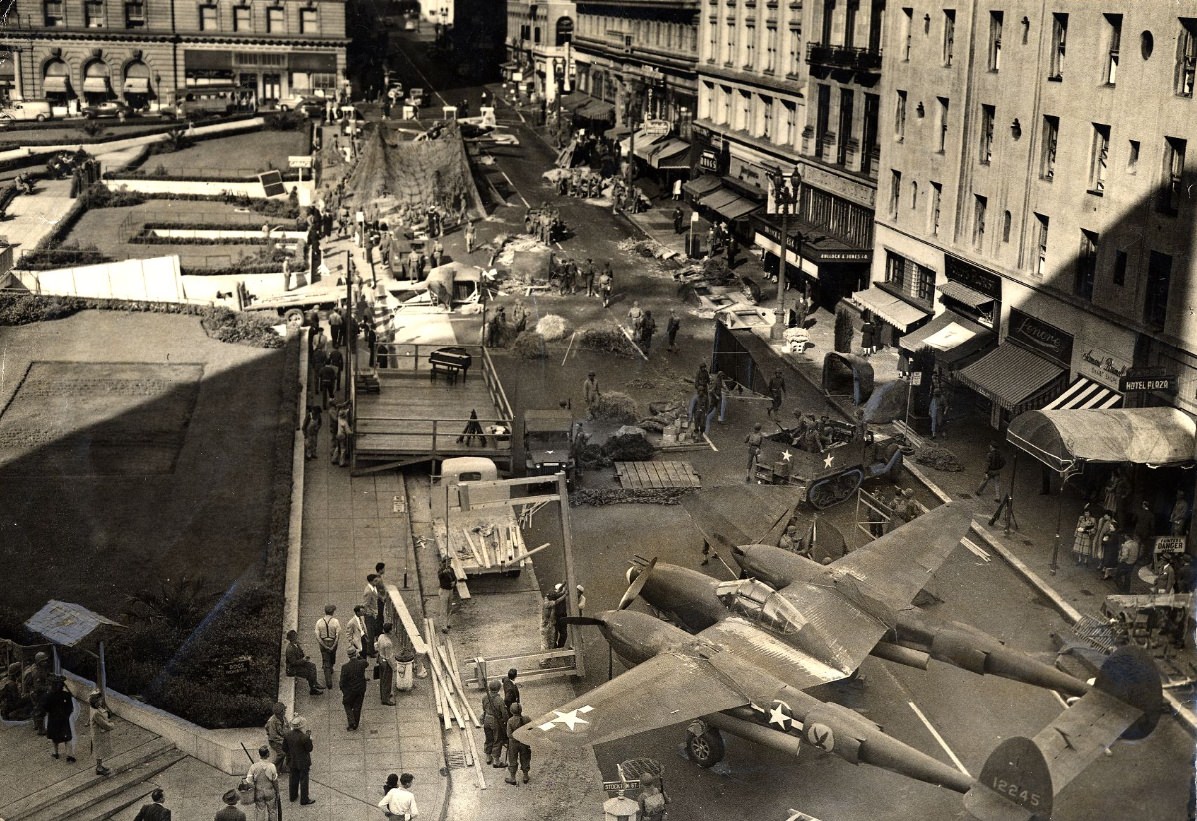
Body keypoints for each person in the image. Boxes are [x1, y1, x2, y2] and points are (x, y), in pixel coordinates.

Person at [283, 715, 315, 805]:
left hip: (292, 761)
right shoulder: (304, 737)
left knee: (293, 778)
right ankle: (304, 799)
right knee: (304, 780)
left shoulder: (287, 734)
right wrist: (310, 739)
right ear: (302, 726)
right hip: (303, 762)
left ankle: (293, 796)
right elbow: (309, 749)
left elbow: (284, 748)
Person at [45, 676, 76, 762]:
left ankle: (56, 753)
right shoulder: (66, 695)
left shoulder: (49, 696)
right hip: (63, 719)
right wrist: (66, 715)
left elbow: (46, 708)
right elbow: (70, 708)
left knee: (55, 738)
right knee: (67, 737)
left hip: (53, 719)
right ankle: (69, 755)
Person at [244, 746, 279, 821]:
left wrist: (253, 787)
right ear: (267, 754)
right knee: (272, 811)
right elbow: (275, 781)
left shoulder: (253, 767)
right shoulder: (272, 766)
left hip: (258, 792)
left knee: (260, 811)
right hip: (270, 791)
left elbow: (248, 780)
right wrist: (277, 791)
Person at [284, 630, 323, 695]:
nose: (297, 637)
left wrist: (304, 656)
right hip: (292, 668)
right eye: (296, 636)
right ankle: (313, 689)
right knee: (308, 673)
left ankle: (314, 683)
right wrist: (303, 660)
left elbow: (300, 654)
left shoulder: (296, 644)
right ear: (293, 638)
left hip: (299, 663)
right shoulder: (290, 649)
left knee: (312, 666)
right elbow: (293, 663)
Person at [339, 647, 369, 731]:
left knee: (346, 704)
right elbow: (367, 663)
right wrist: (359, 656)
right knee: (357, 706)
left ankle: (351, 721)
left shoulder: (345, 667)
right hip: (360, 689)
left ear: (348, 656)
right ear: (355, 654)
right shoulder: (362, 663)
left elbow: (342, 681)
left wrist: (343, 690)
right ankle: (356, 724)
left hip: (349, 691)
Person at [481, 680, 510, 767]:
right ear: (498, 689)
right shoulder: (499, 700)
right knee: (497, 740)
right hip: (495, 721)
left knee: (489, 738)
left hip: (486, 719)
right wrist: (506, 721)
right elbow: (504, 713)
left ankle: (488, 757)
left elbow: (484, 708)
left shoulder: (485, 697)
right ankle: (496, 761)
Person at [504, 702, 532, 784]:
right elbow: (532, 729)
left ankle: (513, 778)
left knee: (512, 759)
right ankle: (525, 776)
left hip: (513, 744)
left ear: (511, 711)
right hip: (524, 742)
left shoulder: (510, 721)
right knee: (525, 758)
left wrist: (516, 737)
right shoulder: (527, 719)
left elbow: (509, 735)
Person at [314, 604, 340, 691]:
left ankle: (328, 681)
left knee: (325, 660)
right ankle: (331, 667)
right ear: (332, 612)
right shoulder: (336, 621)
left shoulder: (319, 622)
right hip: (333, 641)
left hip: (323, 642)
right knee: (332, 656)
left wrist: (324, 645)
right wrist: (333, 645)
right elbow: (337, 635)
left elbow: (318, 637)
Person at [88, 690, 114, 776]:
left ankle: (100, 766)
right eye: (100, 700)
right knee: (99, 752)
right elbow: (104, 724)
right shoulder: (96, 713)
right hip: (99, 734)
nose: (101, 701)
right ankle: (99, 768)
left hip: (98, 733)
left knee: (100, 751)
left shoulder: (93, 708)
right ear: (96, 702)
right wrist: (111, 725)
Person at [26, 651, 50, 735]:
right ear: (39, 662)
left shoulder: (38, 667)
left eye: (46, 660)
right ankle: (41, 730)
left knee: (36, 708)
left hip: (34, 692)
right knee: (40, 710)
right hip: (36, 693)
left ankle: (36, 725)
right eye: (43, 661)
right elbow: (38, 687)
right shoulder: (36, 672)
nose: (45, 662)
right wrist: (48, 688)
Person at [263, 702, 289, 772]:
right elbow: (273, 736)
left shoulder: (283, 718)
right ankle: (273, 768)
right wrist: (284, 741)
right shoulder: (272, 721)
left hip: (282, 738)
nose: (285, 711)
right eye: (284, 710)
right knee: (282, 753)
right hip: (274, 741)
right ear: (280, 712)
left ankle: (289, 767)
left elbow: (287, 728)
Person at [376, 623, 397, 706]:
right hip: (386, 662)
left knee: (382, 679)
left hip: (381, 658)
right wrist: (394, 667)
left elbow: (377, 646)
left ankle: (384, 694)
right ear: (390, 631)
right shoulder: (388, 643)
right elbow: (389, 657)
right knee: (387, 680)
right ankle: (385, 699)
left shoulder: (381, 636)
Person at [437, 556, 458, 634]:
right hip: (444, 591)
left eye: (450, 561)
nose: (449, 562)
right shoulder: (441, 570)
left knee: (449, 607)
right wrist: (443, 572)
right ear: (444, 562)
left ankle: (448, 622)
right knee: (444, 609)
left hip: (450, 590)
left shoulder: (451, 569)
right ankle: (443, 626)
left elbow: (455, 578)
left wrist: (454, 582)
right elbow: (439, 576)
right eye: (448, 561)